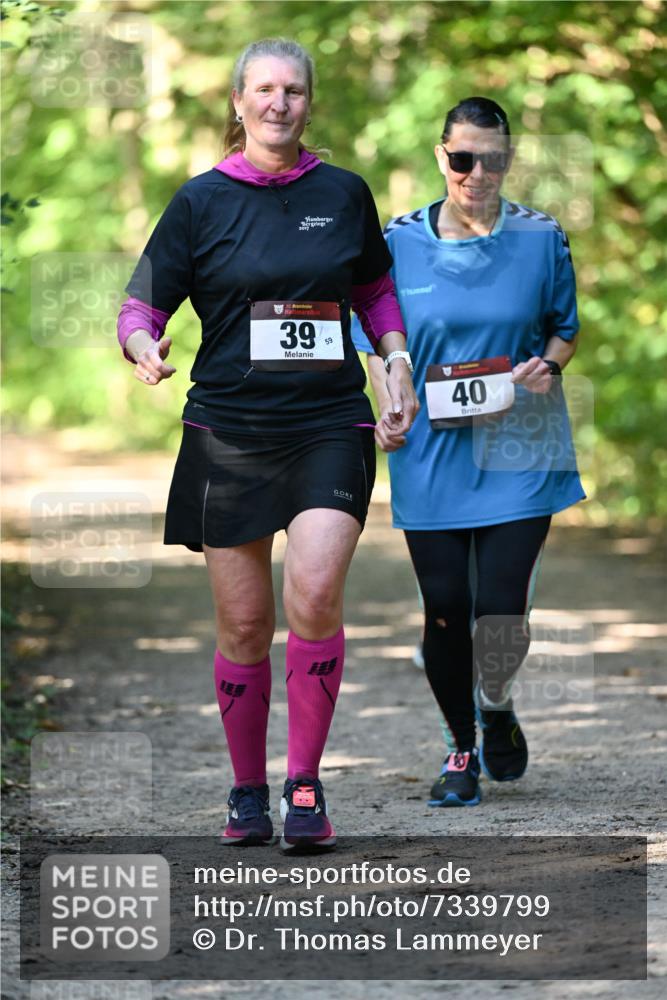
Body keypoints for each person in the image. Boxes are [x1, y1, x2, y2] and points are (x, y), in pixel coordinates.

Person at [116, 38, 418, 849]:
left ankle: (306, 784)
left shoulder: (343, 193)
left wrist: (392, 357)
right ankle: (247, 790)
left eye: (292, 90)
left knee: (314, 596)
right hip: (230, 432)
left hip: (328, 424)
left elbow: (374, 290)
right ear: (239, 101)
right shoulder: (199, 202)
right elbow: (143, 302)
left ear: (308, 102)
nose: (278, 103)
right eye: (263, 89)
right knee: (244, 626)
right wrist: (142, 344)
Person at [353, 96, 585, 808]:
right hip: (430, 449)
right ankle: (461, 746)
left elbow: (563, 329)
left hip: (520, 441)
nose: (475, 173)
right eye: (461, 158)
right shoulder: (396, 240)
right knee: (448, 607)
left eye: (491, 159)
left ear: (507, 160)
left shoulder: (542, 237)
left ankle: (494, 700)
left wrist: (547, 365)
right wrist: (388, 402)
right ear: (439, 156)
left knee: (500, 609)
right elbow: (371, 334)